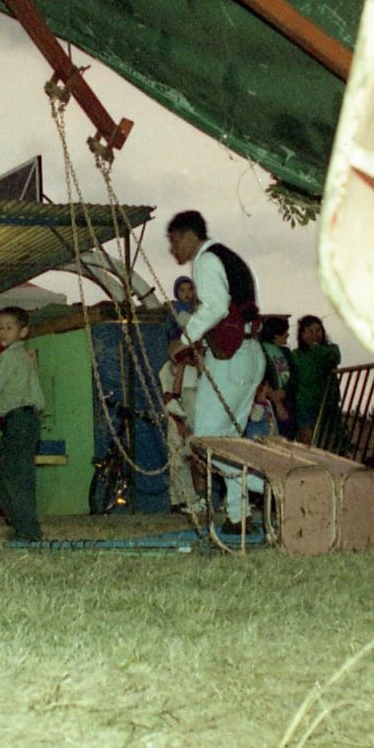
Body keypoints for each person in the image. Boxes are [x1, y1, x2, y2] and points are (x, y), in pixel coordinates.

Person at [165, 210, 264, 532]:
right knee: (230, 441)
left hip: (230, 359)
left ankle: (275, 485)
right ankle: (239, 515)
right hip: (250, 353)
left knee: (205, 441)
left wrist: (183, 341)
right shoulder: (229, 257)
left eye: (174, 240)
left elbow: (216, 307)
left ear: (189, 235)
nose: (172, 249)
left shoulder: (206, 260)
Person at [0, 306, 46, 543]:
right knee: (8, 475)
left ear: (23, 331)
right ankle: (23, 526)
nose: (2, 332)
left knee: (11, 476)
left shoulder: (9, 356)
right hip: (22, 421)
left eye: (9, 328)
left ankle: (27, 530)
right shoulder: (21, 355)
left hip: (19, 420)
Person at [161, 277, 204, 518]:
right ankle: (181, 497)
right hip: (180, 406)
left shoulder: (192, 367)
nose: (187, 294)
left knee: (186, 452)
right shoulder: (180, 314)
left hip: (189, 400)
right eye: (183, 291)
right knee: (180, 451)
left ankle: (188, 496)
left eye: (190, 290)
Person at [290, 315, 344, 451]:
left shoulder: (331, 349)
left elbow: (333, 358)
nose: (314, 335)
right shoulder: (296, 355)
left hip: (327, 404)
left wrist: (316, 348)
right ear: (302, 334)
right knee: (307, 443)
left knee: (328, 443)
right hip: (305, 404)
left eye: (318, 330)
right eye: (309, 331)